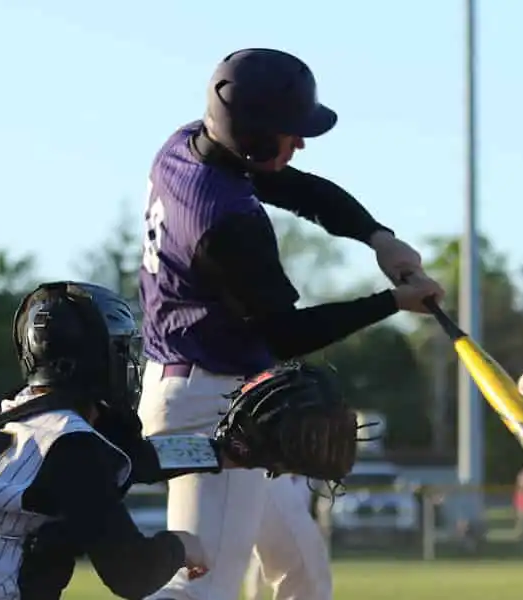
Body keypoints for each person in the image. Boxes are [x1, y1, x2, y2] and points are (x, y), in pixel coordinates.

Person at [137, 47, 445, 600]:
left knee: (301, 566)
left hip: (216, 387)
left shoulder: (189, 146)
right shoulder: (223, 220)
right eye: (288, 131)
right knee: (202, 589)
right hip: (209, 405)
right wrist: (392, 303)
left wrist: (378, 236)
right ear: (251, 135)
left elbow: (299, 188)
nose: (299, 142)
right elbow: (286, 334)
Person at [0, 281, 335, 600]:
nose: (128, 364)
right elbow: (130, 573)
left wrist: (223, 454)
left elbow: (135, 460)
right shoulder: (70, 444)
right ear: (94, 361)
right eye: (120, 351)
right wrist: (180, 545)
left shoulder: (6, 422)